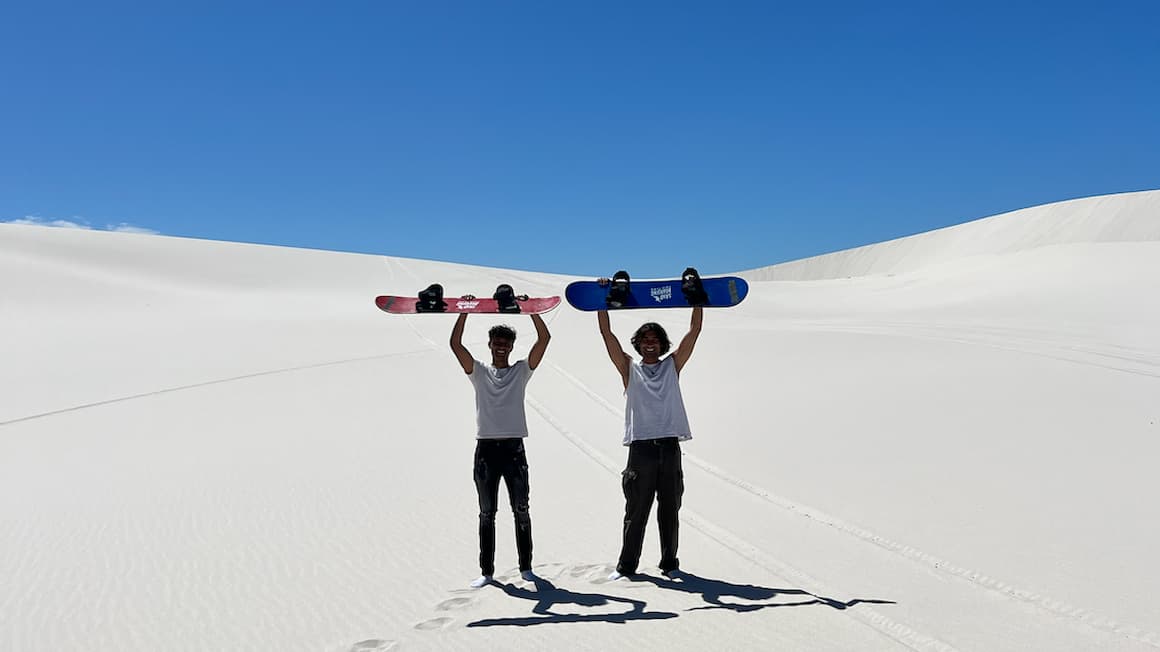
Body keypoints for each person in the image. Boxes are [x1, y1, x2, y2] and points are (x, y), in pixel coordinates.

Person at [597, 295, 702, 580]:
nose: (650, 343)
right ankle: (626, 567)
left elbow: (694, 332)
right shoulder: (629, 368)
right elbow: (607, 335)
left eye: (655, 339)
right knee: (636, 509)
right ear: (638, 344)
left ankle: (670, 564)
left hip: (669, 446)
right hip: (641, 448)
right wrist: (603, 302)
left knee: (670, 508)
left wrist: (697, 300)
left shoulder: (672, 366)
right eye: (645, 340)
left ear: (663, 344)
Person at [450, 306, 550, 588]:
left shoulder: (521, 372)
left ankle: (526, 568)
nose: (501, 347)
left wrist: (532, 311)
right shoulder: (479, 373)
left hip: (514, 449)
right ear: (490, 345)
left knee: (521, 508)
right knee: (486, 512)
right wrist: (463, 312)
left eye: (506, 343)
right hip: (486, 451)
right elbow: (455, 345)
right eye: (497, 342)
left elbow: (544, 340)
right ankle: (487, 572)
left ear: (511, 346)